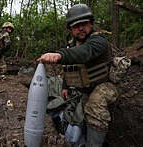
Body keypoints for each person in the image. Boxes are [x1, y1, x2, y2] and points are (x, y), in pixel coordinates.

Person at [37, 4, 119, 147]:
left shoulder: (99, 41)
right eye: (76, 26)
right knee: (70, 110)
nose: (81, 28)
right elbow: (69, 68)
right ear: (71, 29)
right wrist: (65, 86)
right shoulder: (71, 45)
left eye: (84, 24)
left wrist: (59, 55)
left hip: (105, 85)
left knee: (95, 105)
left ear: (91, 23)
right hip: (83, 89)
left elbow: (83, 53)